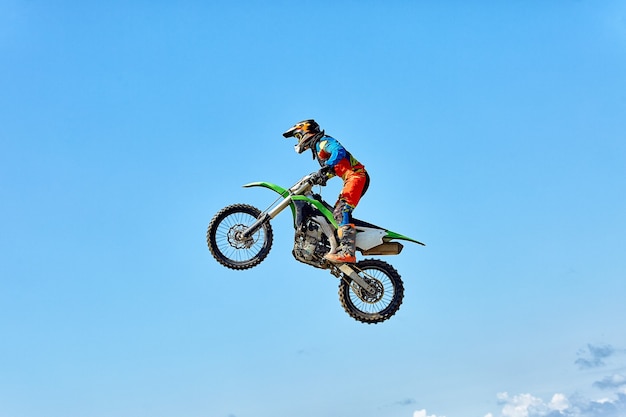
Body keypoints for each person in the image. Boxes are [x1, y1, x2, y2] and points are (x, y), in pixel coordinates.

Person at [282, 119, 369, 263]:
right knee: (335, 214)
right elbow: (337, 166)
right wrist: (324, 177)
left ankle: (348, 252)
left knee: (342, 211)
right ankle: (338, 246)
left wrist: (325, 167)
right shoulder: (318, 147)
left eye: (298, 136)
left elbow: (339, 151)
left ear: (305, 132)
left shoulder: (323, 142)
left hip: (356, 176)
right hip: (351, 177)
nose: (298, 140)